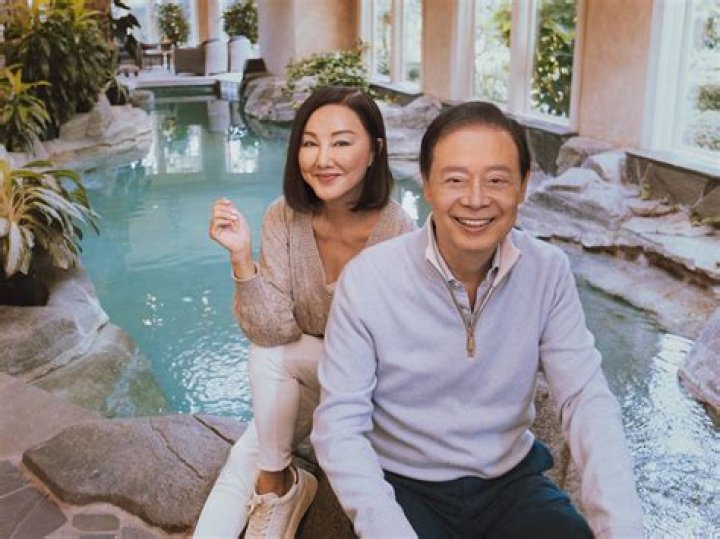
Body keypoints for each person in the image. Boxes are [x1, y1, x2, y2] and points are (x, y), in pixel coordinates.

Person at [311, 101, 645, 538]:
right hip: (403, 483)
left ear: (524, 186)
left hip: (510, 484)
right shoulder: (369, 279)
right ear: (427, 184)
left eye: (496, 180)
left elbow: (585, 400)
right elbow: (339, 425)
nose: (475, 199)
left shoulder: (547, 270)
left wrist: (622, 526)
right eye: (455, 179)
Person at [195, 86, 415, 539]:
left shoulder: (399, 233)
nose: (322, 158)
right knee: (250, 456)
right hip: (312, 376)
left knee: (263, 423)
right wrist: (242, 259)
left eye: (341, 142)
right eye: (310, 143)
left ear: (374, 152)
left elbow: (400, 356)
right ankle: (279, 487)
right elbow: (272, 331)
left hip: (372, 393)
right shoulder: (284, 217)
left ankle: (283, 482)